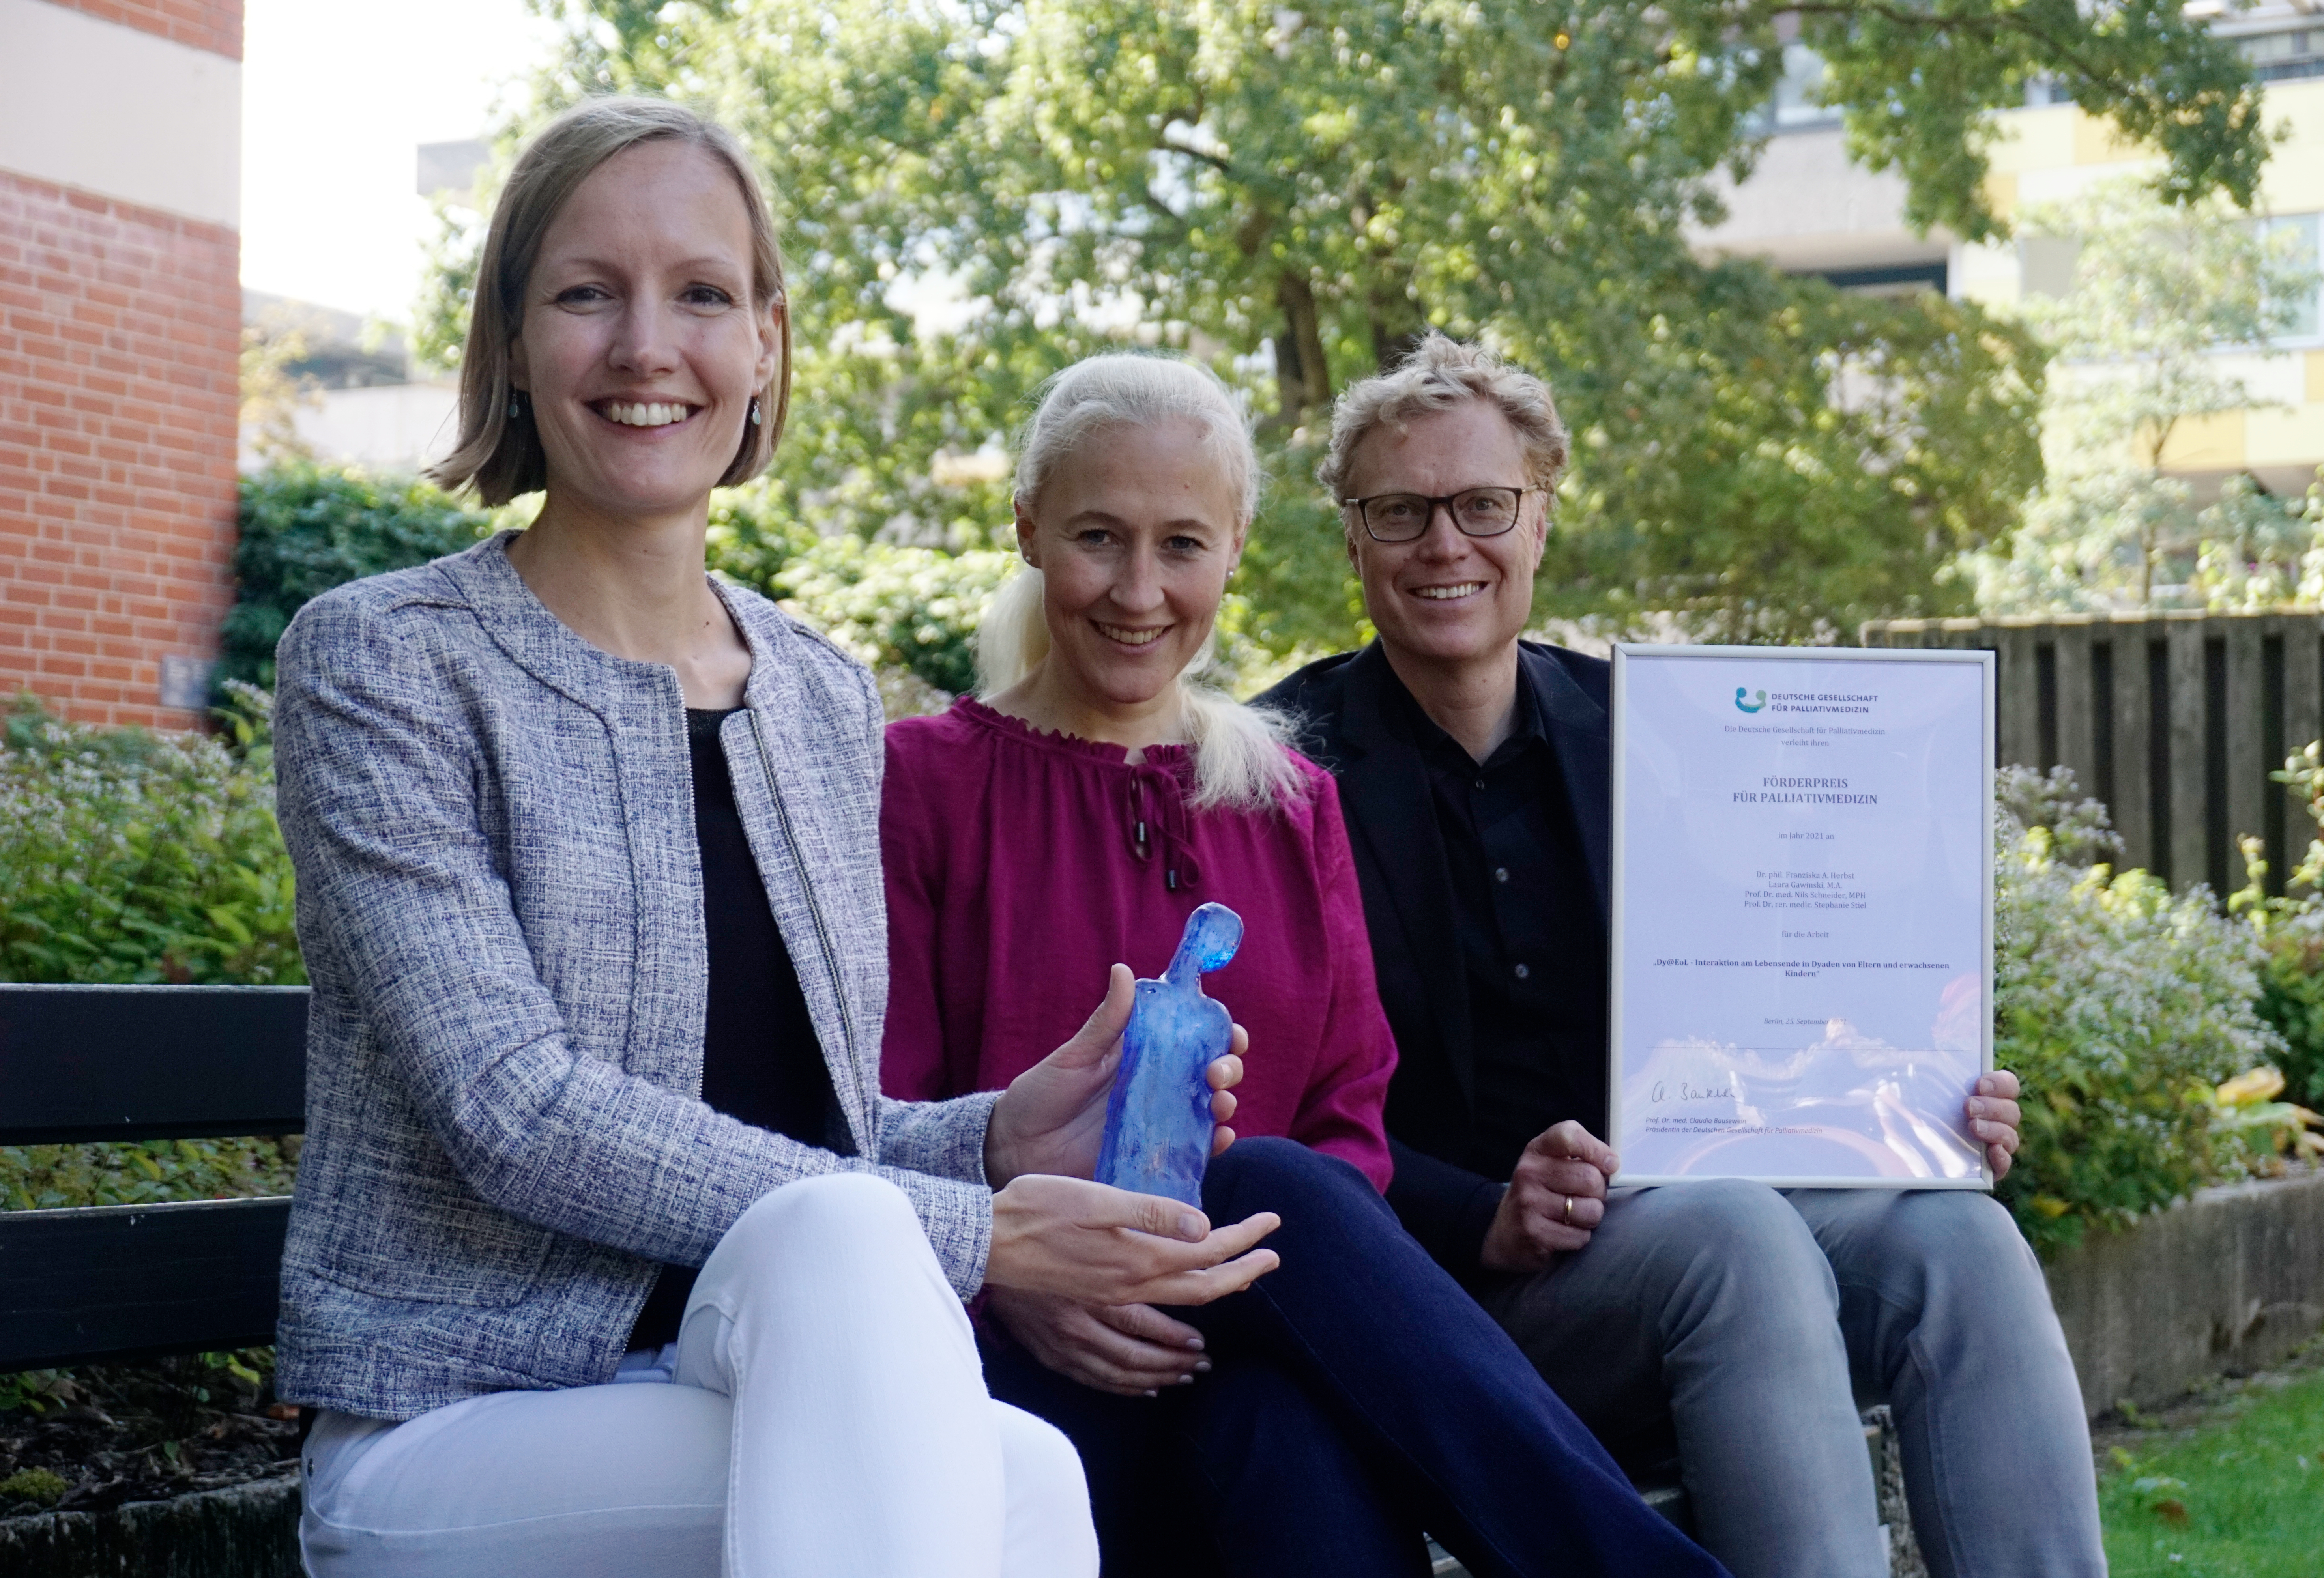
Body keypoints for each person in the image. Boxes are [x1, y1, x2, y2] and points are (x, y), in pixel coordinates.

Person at [269, 99, 1285, 1578]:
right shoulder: (383, 663)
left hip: (746, 1371)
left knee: (1031, 1471)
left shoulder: (812, 690)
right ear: (510, 337)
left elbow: (816, 1142)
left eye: (700, 294)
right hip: (458, 1419)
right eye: (584, 293)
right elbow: (515, 1108)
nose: (644, 348)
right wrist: (981, 1233)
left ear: (764, 344)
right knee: (888, 1309)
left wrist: (998, 1136)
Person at [1256, 333, 2108, 1578]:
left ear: (1542, 515)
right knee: (1735, 1233)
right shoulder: (1279, 769)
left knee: (1960, 1240)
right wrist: (1487, 1214)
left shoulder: (1668, 734)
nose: (1446, 545)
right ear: (1352, 536)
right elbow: (1277, 1108)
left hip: (1694, 1229)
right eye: (1399, 512)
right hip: (1450, 1293)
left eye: (1484, 504)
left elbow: (1787, 1011)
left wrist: (1917, 1098)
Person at [878, 353, 1730, 1578]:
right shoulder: (923, 785)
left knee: (1284, 1372)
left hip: (1260, 1343)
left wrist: (1225, 1275)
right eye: (1097, 539)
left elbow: (1351, 1119)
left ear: (1233, 550)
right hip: (1022, 1364)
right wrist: (1013, 1278)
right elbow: (879, 1112)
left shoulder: (1288, 803)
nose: (1138, 589)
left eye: (1181, 544)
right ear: (1027, 532)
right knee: (1267, 1196)